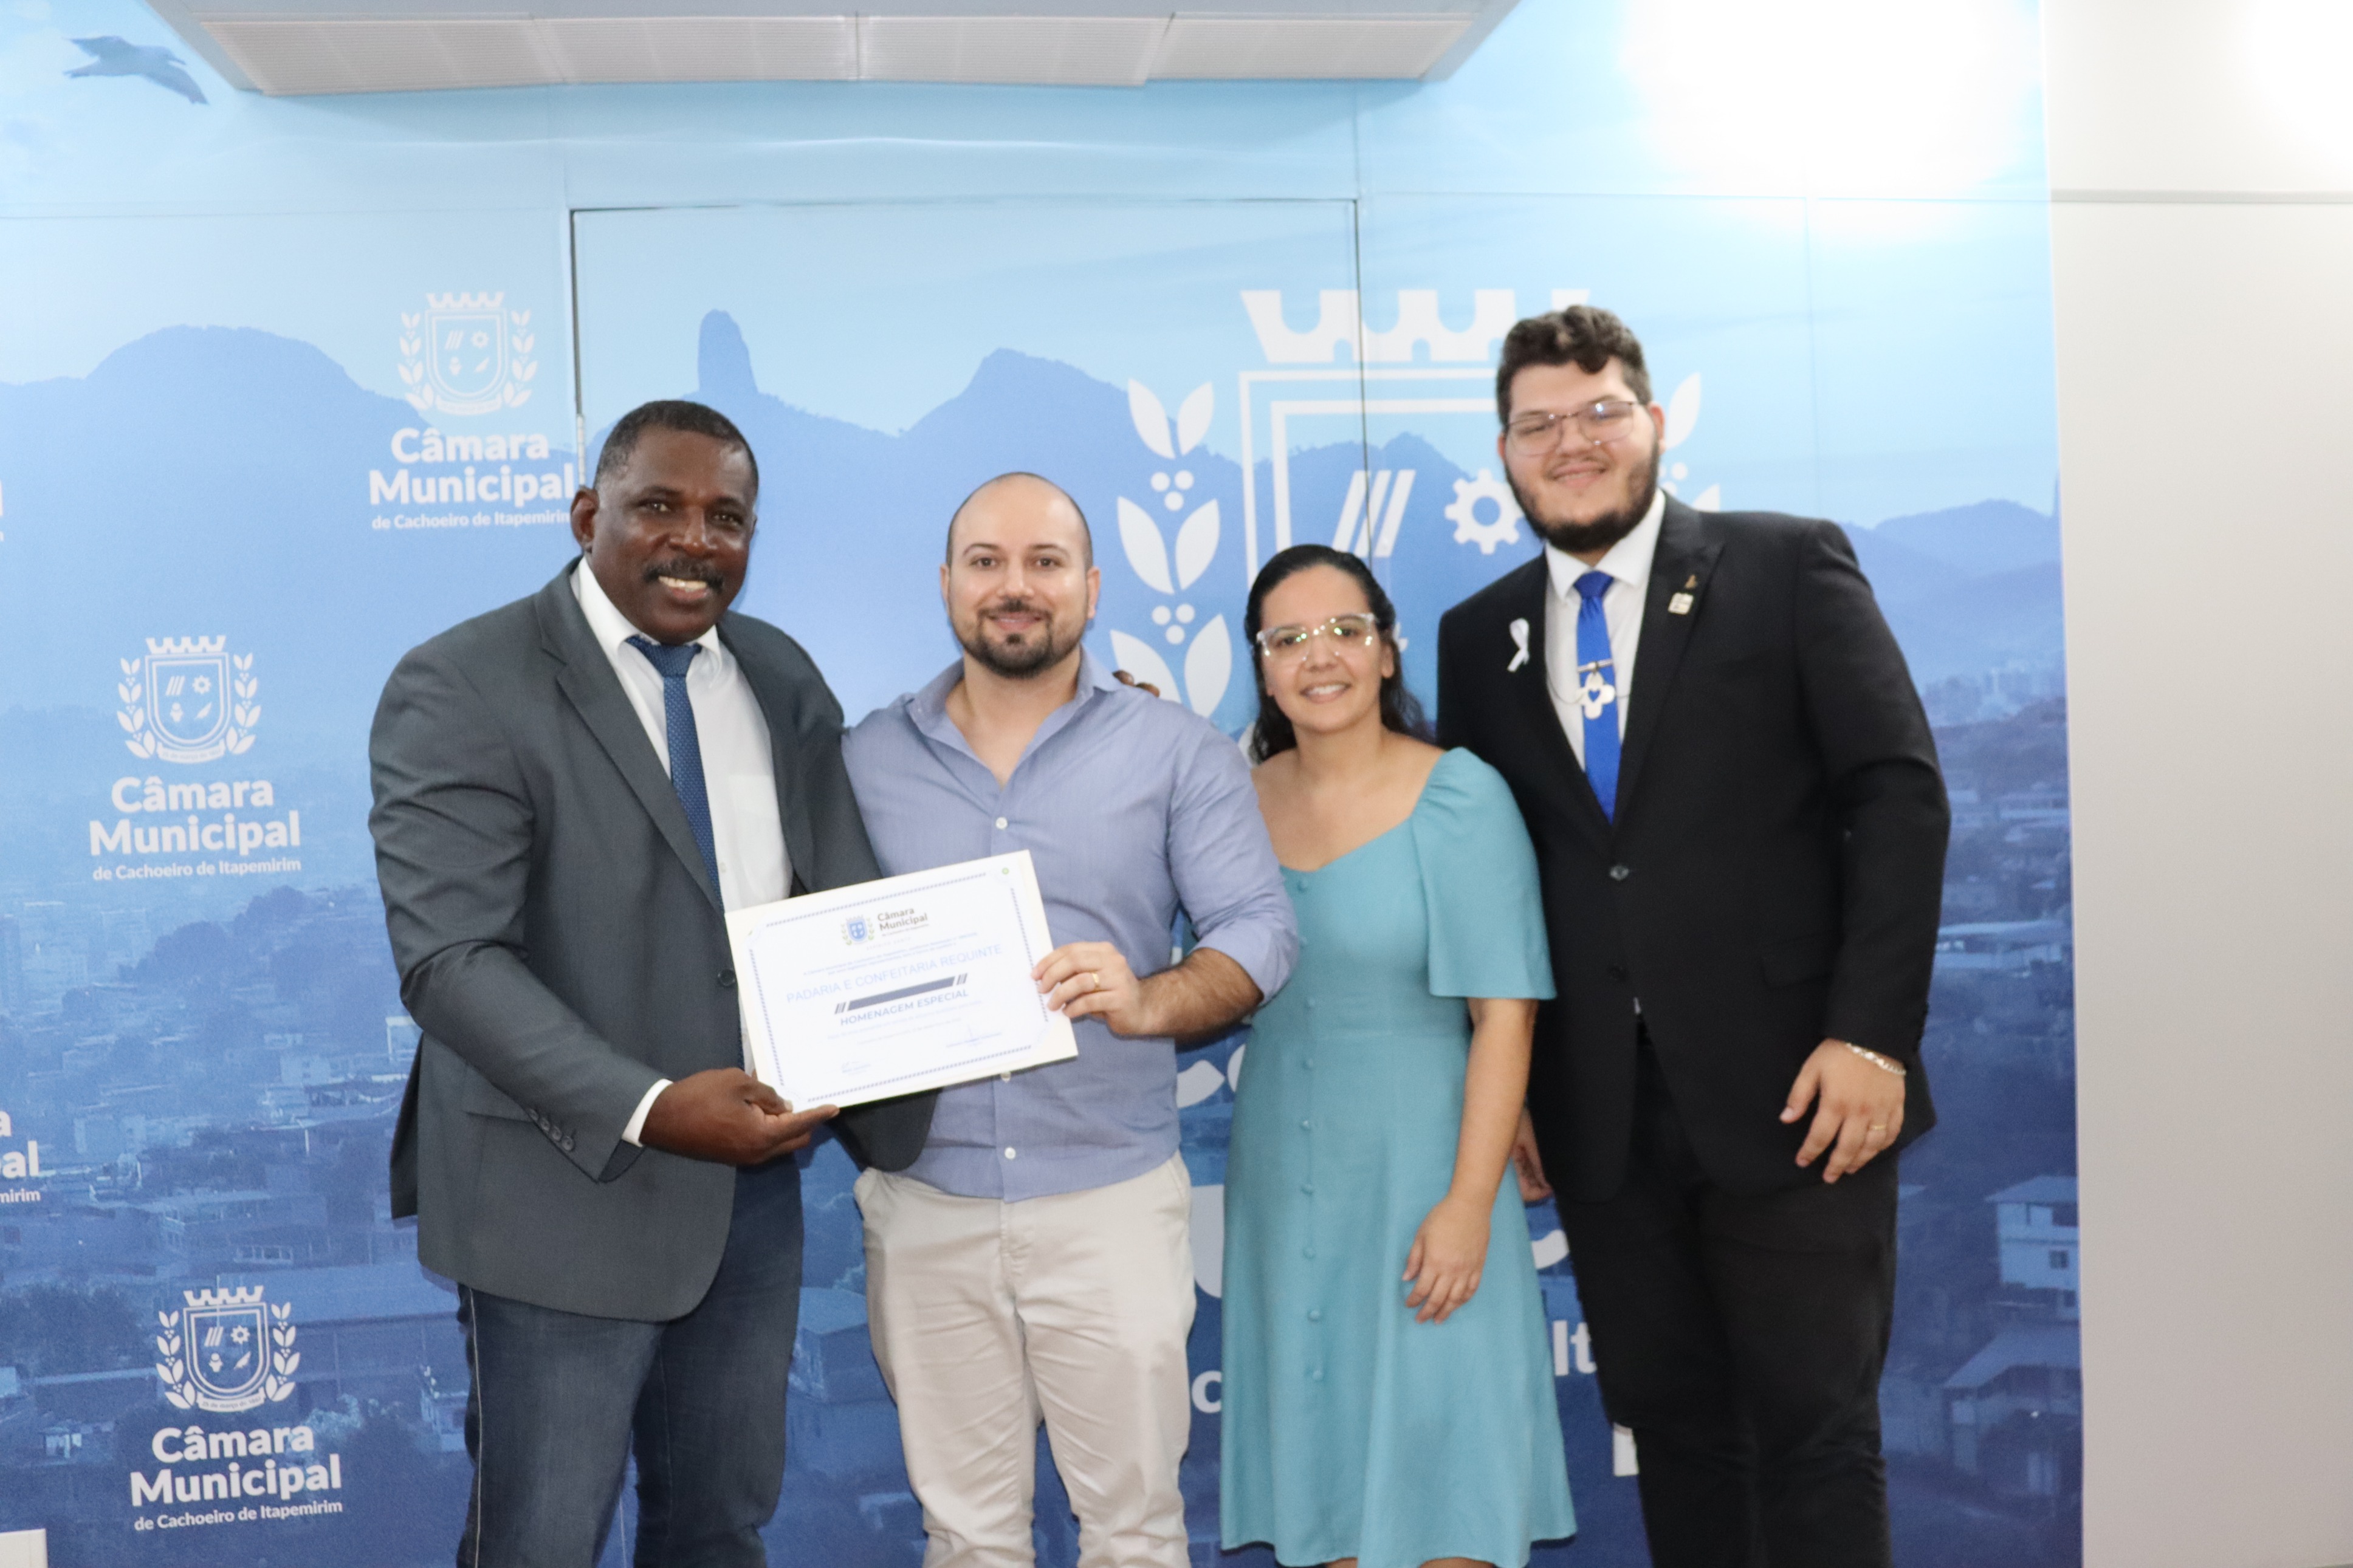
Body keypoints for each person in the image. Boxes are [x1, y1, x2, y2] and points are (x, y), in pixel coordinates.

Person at [368, 400, 935, 1568]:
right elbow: (452, 963)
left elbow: (837, 903)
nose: (696, 540)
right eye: (660, 507)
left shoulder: (777, 673)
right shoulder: (463, 681)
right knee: (539, 1545)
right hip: (554, 1198)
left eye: (728, 517)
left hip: (748, 1201)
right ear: (589, 516)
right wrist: (655, 1106)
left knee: (720, 1533)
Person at [1435, 307, 1949, 1568]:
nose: (1571, 442)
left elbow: (1896, 795)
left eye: (1599, 412)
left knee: (1817, 1435)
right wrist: (1517, 1092)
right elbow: (1488, 878)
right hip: (1601, 1118)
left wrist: (1871, 1036)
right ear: (1504, 455)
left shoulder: (1784, 565)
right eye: (1538, 425)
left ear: (1654, 422)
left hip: (1801, 1093)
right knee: (1674, 1435)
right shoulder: (1477, 637)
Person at [841, 471, 1297, 1568]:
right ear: (946, 585)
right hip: (926, 1204)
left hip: (1109, 1201)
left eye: (1045, 562)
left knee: (1134, 1533)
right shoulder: (863, 758)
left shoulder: (1176, 749)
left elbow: (1261, 932)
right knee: (966, 1539)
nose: (1015, 586)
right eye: (986, 562)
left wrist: (1150, 998)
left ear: (1091, 589)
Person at [1219, 545, 1576, 1568]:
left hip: (1429, 1185)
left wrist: (1468, 1205)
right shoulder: (1228, 803)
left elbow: (1505, 1018)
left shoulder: (1459, 796)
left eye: (1345, 630)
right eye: (1289, 638)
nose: (1319, 656)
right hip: (1285, 1195)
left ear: (1386, 650)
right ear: (1263, 668)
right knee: (1328, 1498)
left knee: (1443, 1500)